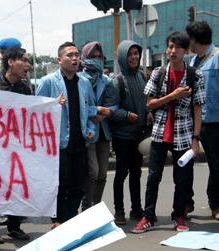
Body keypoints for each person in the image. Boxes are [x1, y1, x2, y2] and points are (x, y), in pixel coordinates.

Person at [131, 31, 205, 234]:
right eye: (170, 46)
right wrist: (173, 95)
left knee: (183, 179)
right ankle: (148, 216)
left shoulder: (194, 75)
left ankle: (179, 215)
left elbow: (198, 108)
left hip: (184, 133)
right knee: (153, 177)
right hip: (160, 132)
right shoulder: (158, 73)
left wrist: (196, 138)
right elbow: (150, 104)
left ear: (185, 50)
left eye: (177, 47)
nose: (173, 51)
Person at [36, 42, 100, 226]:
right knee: (60, 183)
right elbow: (37, 111)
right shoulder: (48, 82)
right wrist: (53, 104)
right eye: (69, 55)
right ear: (59, 59)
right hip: (57, 143)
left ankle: (70, 215)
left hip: (80, 141)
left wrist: (90, 130)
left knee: (79, 182)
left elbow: (91, 110)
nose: (74, 59)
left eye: (76, 55)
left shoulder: (84, 82)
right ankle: (57, 218)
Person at [0, 47, 32, 244]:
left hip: (15, 148)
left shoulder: (25, 89)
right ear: (10, 62)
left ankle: (14, 226)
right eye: (23, 60)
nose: (27, 64)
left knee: (15, 186)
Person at [186, 21, 219, 222]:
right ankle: (186, 201)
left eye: (189, 39)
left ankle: (217, 205)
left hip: (215, 121)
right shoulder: (192, 61)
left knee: (216, 165)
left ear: (196, 40)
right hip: (193, 121)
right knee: (186, 162)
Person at [106, 40, 149, 226]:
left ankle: (136, 208)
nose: (134, 57)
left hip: (138, 136)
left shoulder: (142, 76)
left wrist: (149, 114)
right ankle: (119, 210)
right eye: (130, 54)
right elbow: (110, 110)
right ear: (123, 57)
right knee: (121, 173)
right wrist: (126, 115)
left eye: (136, 53)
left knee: (136, 173)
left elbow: (147, 100)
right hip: (122, 137)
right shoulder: (117, 81)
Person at [80, 41, 115, 212]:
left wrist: (104, 114)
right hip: (87, 130)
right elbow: (78, 107)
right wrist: (94, 112)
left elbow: (114, 103)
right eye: (92, 56)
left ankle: (95, 206)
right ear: (85, 58)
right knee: (92, 172)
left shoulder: (107, 80)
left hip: (104, 131)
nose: (96, 59)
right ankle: (86, 207)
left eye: (99, 56)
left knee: (102, 173)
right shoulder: (79, 80)